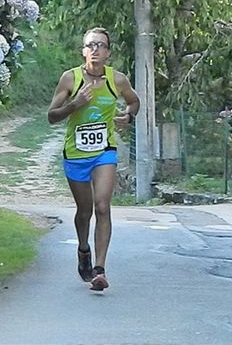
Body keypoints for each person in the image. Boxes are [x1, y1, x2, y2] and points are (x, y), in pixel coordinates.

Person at [47, 27, 140, 291]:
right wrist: (75, 104)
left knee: (102, 206)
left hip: (104, 151)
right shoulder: (70, 79)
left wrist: (128, 116)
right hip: (76, 153)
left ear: (108, 53)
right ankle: (83, 249)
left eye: (101, 45)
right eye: (90, 45)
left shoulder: (117, 80)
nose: (95, 49)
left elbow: (134, 101)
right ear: (83, 51)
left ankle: (99, 269)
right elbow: (52, 116)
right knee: (85, 211)